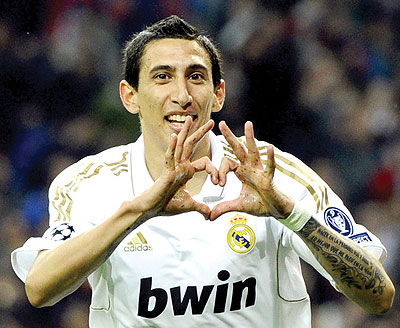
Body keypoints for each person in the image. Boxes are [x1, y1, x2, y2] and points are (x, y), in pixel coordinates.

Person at [11, 15, 394, 328]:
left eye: (196, 76)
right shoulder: (89, 183)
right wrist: (138, 211)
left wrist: (290, 214)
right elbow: (40, 288)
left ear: (219, 93)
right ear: (130, 96)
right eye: (162, 77)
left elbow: (379, 296)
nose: (182, 94)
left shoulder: (275, 174)